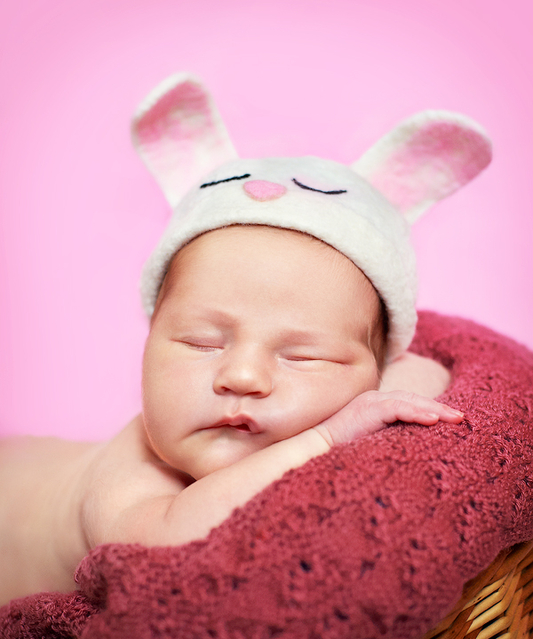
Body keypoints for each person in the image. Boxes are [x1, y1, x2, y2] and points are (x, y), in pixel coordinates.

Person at [0, 75, 492, 605]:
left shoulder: (372, 373)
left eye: (303, 355)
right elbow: (171, 544)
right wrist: (325, 438)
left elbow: (429, 377)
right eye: (201, 343)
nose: (241, 376)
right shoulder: (129, 475)